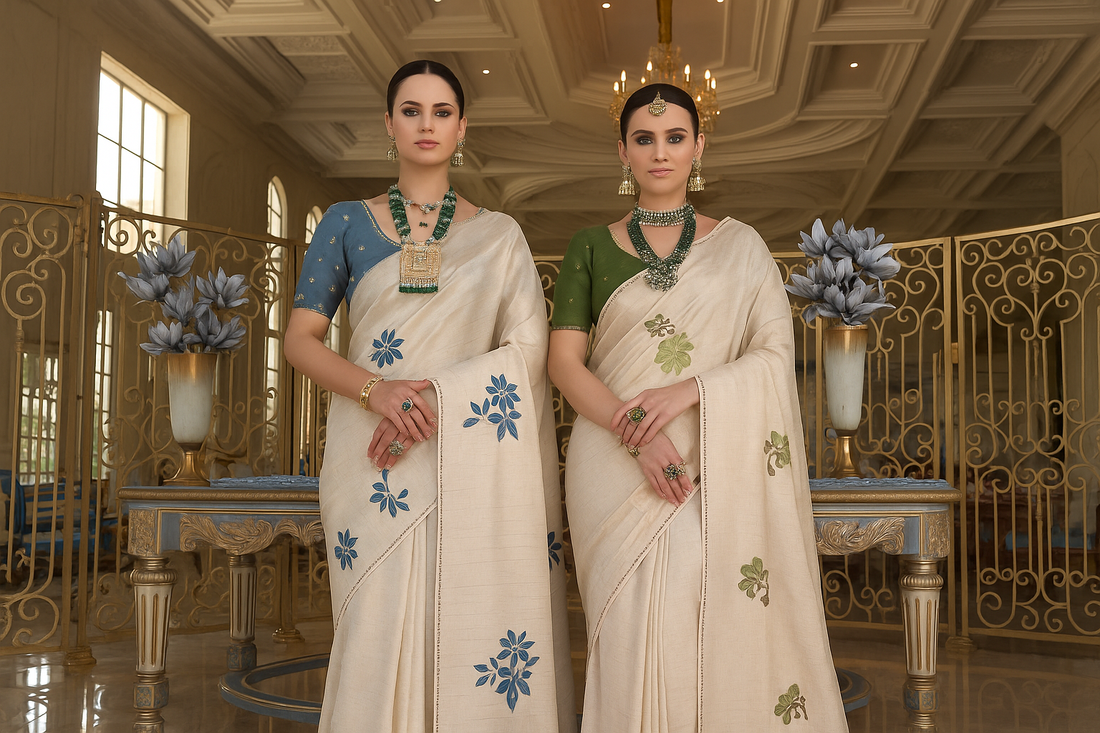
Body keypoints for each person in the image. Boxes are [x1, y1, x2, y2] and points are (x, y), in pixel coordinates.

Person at [284, 60, 574, 733]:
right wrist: (377, 389)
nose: (426, 124)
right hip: (373, 453)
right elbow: (301, 340)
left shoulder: (499, 236)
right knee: (376, 623)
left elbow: (530, 352)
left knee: (467, 614)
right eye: (411, 110)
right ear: (388, 124)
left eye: (441, 111)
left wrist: (440, 402)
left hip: (468, 450)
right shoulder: (345, 222)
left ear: (462, 127)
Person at [547, 83, 848, 731]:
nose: (660, 152)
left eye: (675, 137)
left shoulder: (742, 250)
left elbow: (772, 356)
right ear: (622, 152)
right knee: (626, 631)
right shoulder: (589, 247)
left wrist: (689, 391)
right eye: (644, 139)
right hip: (610, 461)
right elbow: (564, 363)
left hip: (708, 456)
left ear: (698, 147)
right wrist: (635, 430)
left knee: (695, 608)